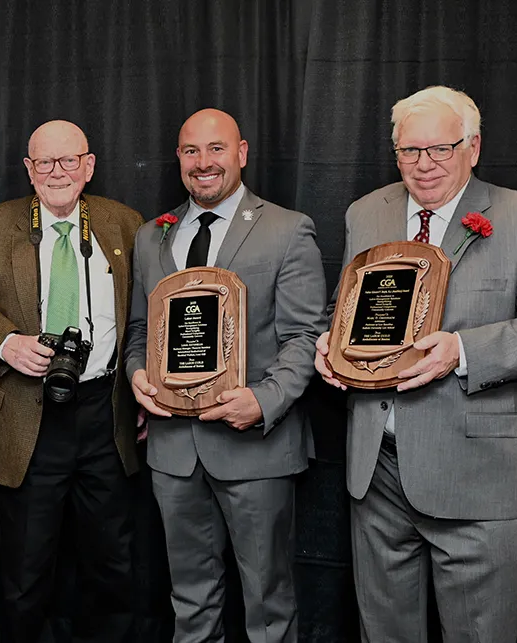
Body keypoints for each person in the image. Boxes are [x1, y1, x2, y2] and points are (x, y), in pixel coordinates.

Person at [314, 85, 517, 642]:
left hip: (480, 479)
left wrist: (462, 350)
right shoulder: (366, 213)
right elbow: (348, 308)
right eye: (410, 151)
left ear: (473, 147)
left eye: (441, 149)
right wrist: (331, 344)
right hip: (378, 474)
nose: (425, 164)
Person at [124, 108, 328, 643]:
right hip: (174, 450)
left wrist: (264, 400)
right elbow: (139, 331)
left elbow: (305, 336)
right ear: (178, 159)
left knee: (268, 602)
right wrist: (137, 375)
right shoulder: (151, 237)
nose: (203, 162)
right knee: (190, 600)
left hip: (256, 447)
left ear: (241, 153)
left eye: (216, 149)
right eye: (191, 151)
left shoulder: (287, 229)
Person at [0, 119, 142, 643]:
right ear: (28, 169)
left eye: (69, 160)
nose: (58, 172)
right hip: (25, 416)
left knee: (113, 565)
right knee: (25, 572)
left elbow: (144, 317)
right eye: (44, 162)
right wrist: (6, 343)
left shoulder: (125, 223)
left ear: (89, 165)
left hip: (104, 415)